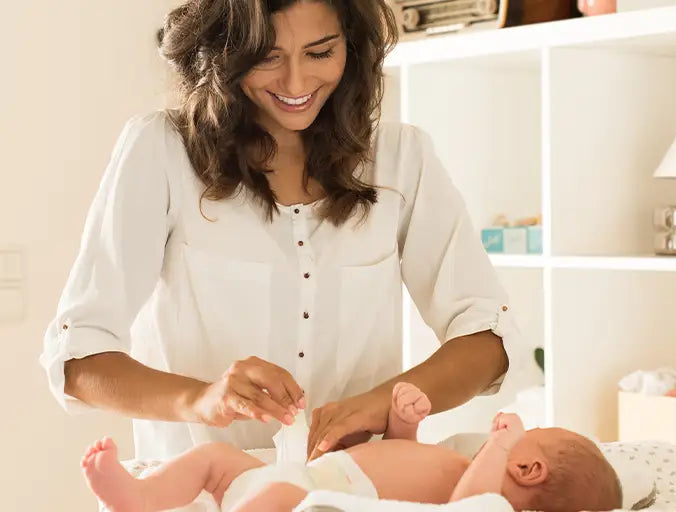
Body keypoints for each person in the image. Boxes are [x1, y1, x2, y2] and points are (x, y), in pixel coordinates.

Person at [39, 0, 518, 465]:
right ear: (224, 52)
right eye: (267, 57)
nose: (296, 82)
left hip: (350, 491)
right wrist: (202, 400)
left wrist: (380, 403)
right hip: (199, 495)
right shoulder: (162, 151)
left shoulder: (401, 159)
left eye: (320, 52)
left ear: (350, 48)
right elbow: (79, 355)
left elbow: (488, 340)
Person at [81, 383, 623, 512]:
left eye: (530, 439)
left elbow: (464, 507)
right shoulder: (462, 465)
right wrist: (402, 424)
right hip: (310, 472)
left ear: (527, 468)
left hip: (321, 494)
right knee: (215, 459)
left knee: (270, 497)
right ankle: (140, 495)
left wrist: (499, 447)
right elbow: (400, 465)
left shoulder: (488, 499)